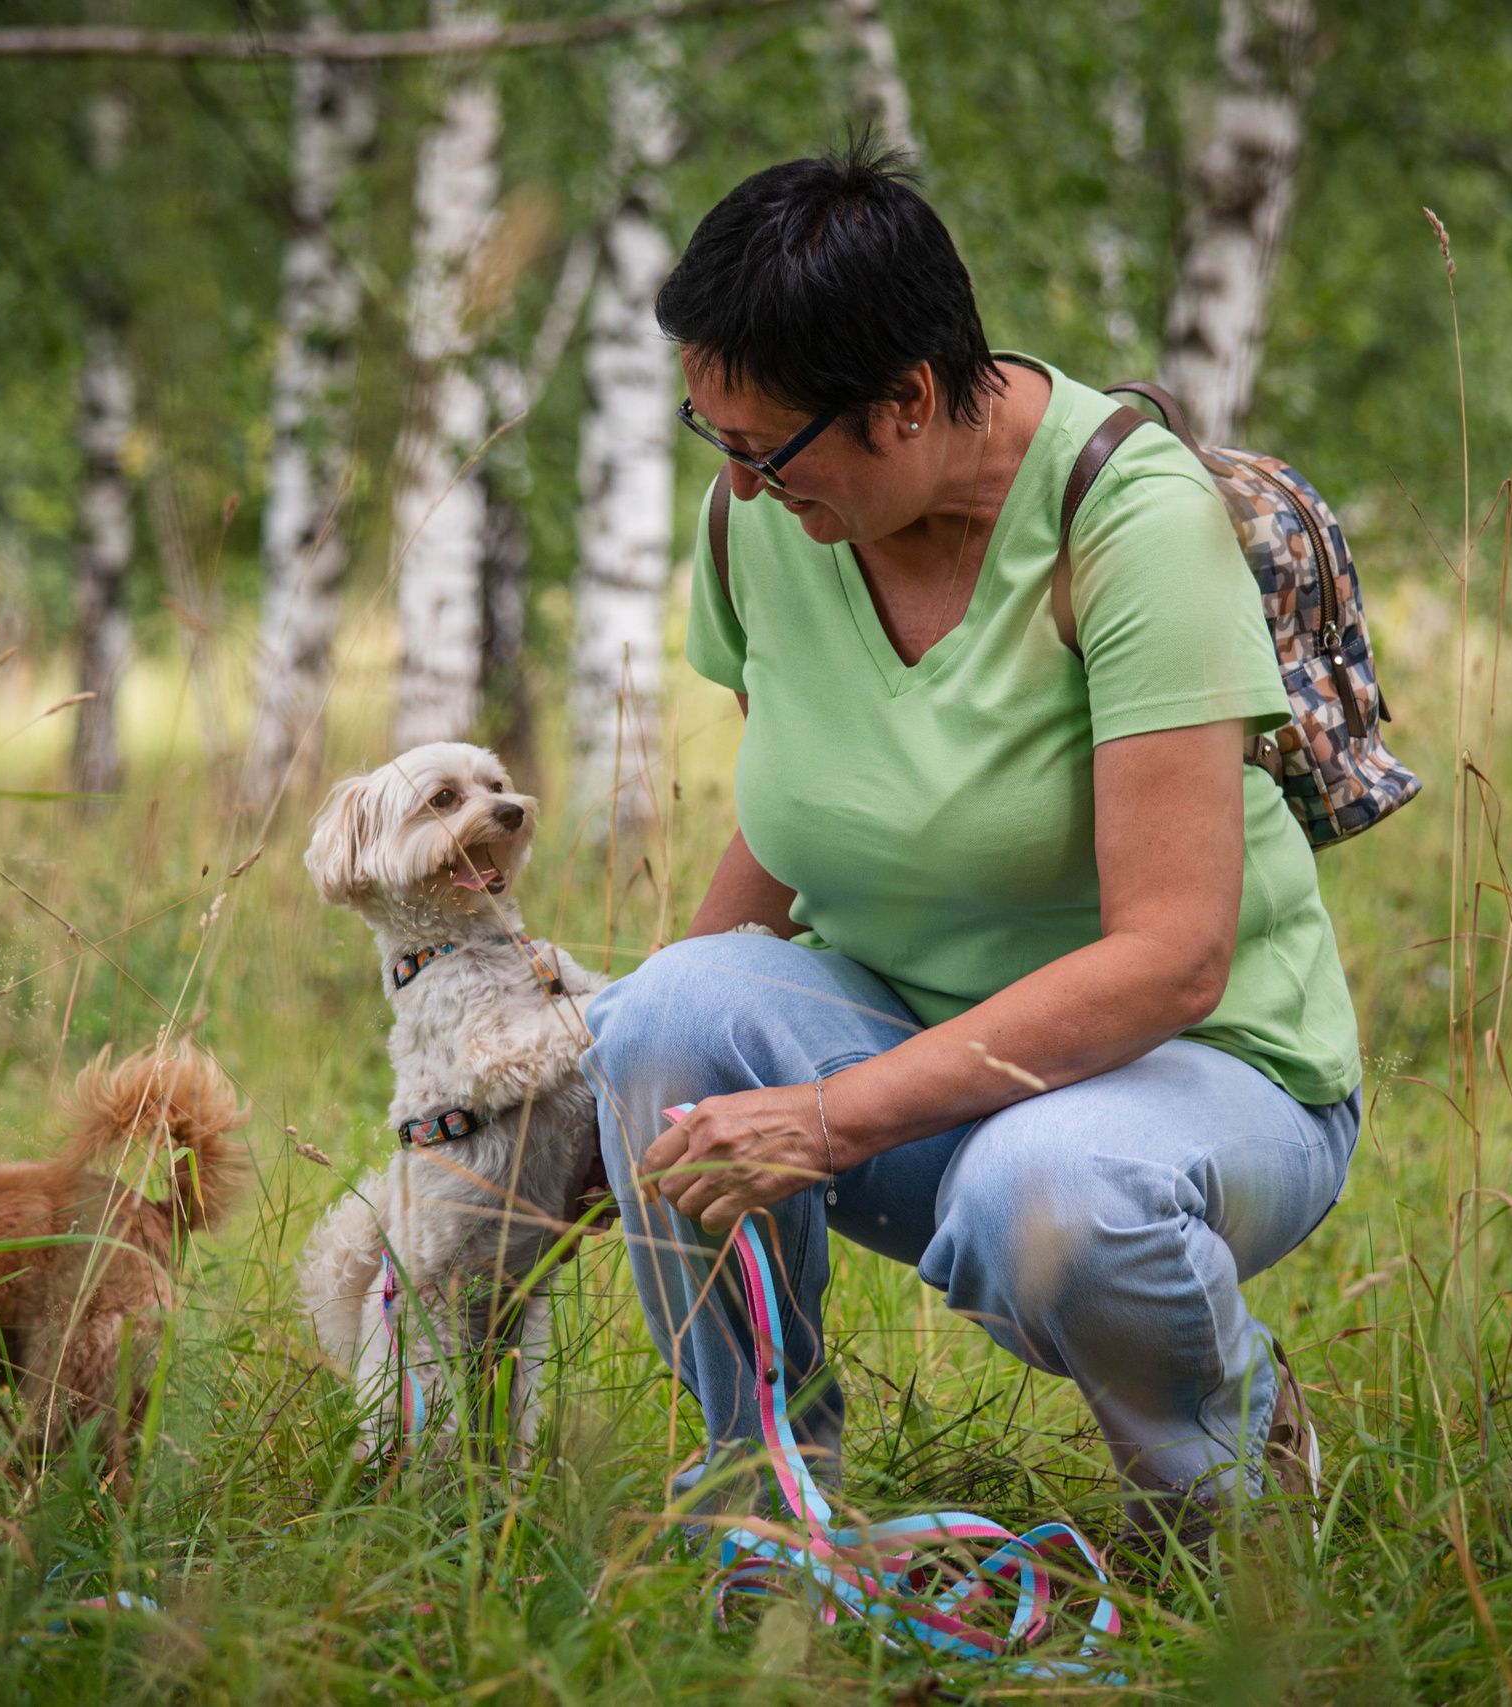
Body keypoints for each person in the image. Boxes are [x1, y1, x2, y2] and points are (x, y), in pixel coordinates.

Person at [579, 143, 1362, 1543]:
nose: (744, 487)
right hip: (922, 1072)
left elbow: (1174, 961)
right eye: (719, 443)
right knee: (660, 1014)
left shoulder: (1129, 524)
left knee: (1044, 1189)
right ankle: (766, 1511)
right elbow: (785, 823)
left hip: (1195, 1085)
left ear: (911, 400)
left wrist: (824, 1117)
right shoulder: (767, 520)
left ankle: (1235, 1501)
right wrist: (636, 1088)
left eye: (766, 446)